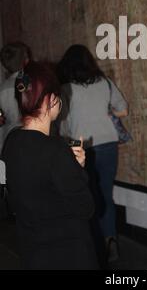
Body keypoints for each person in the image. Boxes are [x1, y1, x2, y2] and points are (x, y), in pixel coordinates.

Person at [2, 61, 98, 270]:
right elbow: (86, 207)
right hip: (67, 253)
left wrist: (70, 167)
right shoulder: (55, 150)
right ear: (50, 100)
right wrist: (78, 170)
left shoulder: (11, 141)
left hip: (31, 249)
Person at [57, 45, 128, 263]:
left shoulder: (65, 89)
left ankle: (89, 244)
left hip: (80, 146)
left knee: (83, 196)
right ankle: (110, 240)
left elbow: (62, 124)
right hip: (107, 144)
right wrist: (104, 113)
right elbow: (123, 109)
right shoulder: (104, 83)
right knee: (105, 194)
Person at [0, 42, 31, 154]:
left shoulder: (3, 88)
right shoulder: (31, 83)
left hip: (8, 140)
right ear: (25, 61)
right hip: (30, 137)